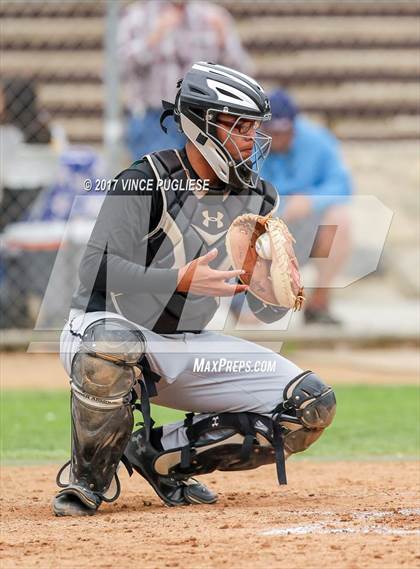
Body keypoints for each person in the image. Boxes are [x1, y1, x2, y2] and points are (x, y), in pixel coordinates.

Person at [52, 62, 336, 517]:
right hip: (104, 327)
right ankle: (88, 481)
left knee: (310, 405)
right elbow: (94, 269)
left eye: (255, 127)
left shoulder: (259, 196)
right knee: (112, 346)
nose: (253, 139)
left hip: (183, 344)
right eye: (240, 126)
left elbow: (258, 311)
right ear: (202, 125)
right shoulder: (147, 179)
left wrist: (266, 286)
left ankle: (158, 454)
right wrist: (177, 279)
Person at [262, 89, 352, 325]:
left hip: (306, 232)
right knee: (251, 321)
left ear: (294, 126)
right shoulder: (250, 143)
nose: (277, 138)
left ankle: (318, 304)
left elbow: (343, 185)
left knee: (340, 220)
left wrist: (311, 200)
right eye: (271, 132)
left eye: (283, 132)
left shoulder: (318, 140)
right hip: (265, 233)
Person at [118, 1, 251, 159]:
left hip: (203, 118)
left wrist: (223, 42)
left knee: (203, 181)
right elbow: (119, 68)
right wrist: (153, 39)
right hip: (154, 118)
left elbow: (241, 71)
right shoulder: (137, 17)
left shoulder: (213, 17)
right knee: (160, 179)